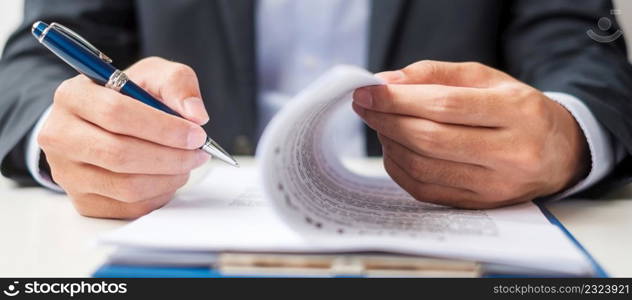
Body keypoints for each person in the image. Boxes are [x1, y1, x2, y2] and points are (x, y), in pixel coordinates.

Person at [0, 0, 631, 219]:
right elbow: (30, 65)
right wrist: (73, 140)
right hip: (192, 217)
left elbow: (584, 54)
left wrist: (567, 136)